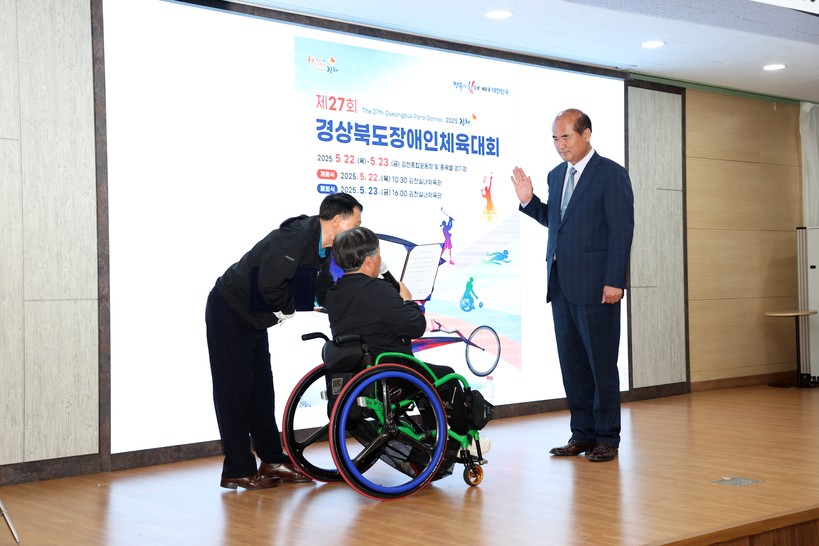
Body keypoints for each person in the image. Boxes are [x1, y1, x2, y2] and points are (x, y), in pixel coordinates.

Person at [205, 192, 363, 489]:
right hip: (230, 311)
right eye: (356, 223)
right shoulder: (294, 239)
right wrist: (291, 307)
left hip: (254, 319)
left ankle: (272, 459)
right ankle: (238, 469)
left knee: (262, 392)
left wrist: (351, 306)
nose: (357, 230)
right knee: (234, 392)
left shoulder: (323, 248)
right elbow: (270, 286)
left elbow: (324, 288)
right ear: (338, 220)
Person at [510, 108, 634, 463]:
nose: (560, 144)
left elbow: (621, 230)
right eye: (555, 138)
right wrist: (528, 201)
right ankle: (582, 434)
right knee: (573, 364)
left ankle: (607, 437)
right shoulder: (555, 175)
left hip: (598, 288)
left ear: (586, 134)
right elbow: (557, 222)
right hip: (562, 284)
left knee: (601, 366)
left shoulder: (611, 174)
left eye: (566, 137)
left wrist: (615, 281)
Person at [324, 226, 474, 437]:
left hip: (357, 377)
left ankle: (432, 435)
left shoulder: (333, 295)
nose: (380, 259)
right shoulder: (380, 290)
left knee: (425, 374)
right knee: (448, 377)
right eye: (378, 254)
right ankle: (461, 437)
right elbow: (416, 327)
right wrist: (408, 300)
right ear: (369, 261)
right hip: (390, 377)